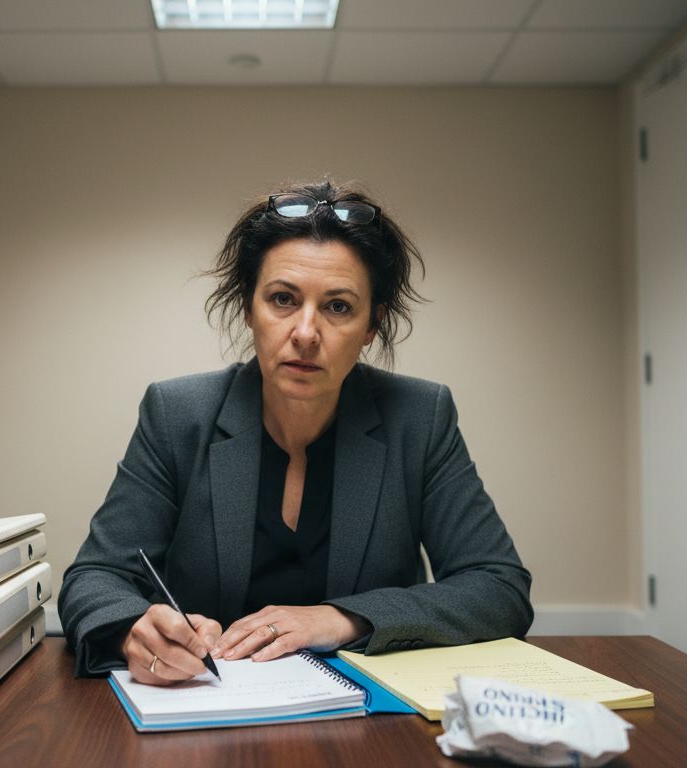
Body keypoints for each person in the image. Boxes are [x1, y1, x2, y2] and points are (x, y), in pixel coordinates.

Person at [58, 180, 532, 683]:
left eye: (338, 307)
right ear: (248, 308)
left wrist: (338, 618)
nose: (306, 333)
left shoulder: (419, 417)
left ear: (373, 325)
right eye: (283, 299)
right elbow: (94, 578)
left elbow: (498, 587)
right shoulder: (178, 414)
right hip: (203, 711)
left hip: (368, 723)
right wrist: (135, 631)